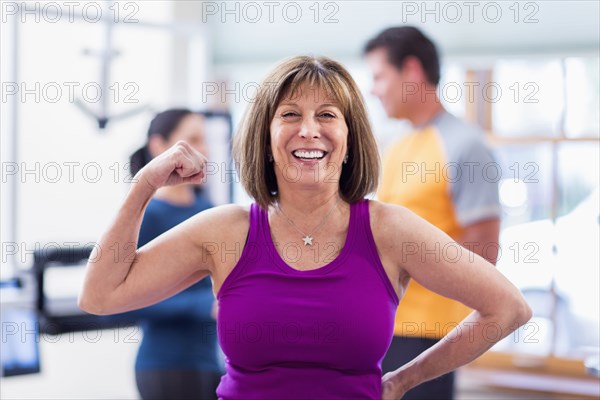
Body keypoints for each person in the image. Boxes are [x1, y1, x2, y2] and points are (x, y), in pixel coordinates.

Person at [78, 56, 531, 400]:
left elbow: (507, 308)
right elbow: (100, 296)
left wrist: (402, 381)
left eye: (328, 115)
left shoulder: (390, 230)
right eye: (290, 114)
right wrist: (144, 185)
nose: (309, 130)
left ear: (351, 137)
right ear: (266, 135)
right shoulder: (225, 231)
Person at [364, 27, 502, 399]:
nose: (374, 89)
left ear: (411, 71)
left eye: (379, 76)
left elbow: (484, 256)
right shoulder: (396, 145)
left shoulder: (465, 144)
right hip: (381, 326)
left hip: (429, 337)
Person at [118, 109, 223, 399]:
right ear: (158, 146)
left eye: (204, 139)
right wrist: (204, 306)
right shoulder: (147, 216)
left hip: (211, 362)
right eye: (193, 139)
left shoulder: (209, 211)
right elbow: (125, 300)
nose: (203, 149)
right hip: (166, 367)